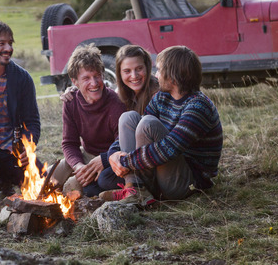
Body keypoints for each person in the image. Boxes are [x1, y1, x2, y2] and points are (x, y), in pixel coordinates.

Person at [105, 45, 223, 204]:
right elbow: (135, 131)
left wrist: (124, 162)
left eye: (159, 70)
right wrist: (114, 153)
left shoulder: (198, 106)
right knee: (129, 118)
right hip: (163, 172)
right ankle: (135, 189)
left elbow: (168, 149)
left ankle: (138, 189)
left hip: (187, 182)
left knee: (148, 124)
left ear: (173, 76)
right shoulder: (162, 97)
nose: (155, 75)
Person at [0, 21, 41, 198]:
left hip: (10, 150)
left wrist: (29, 146)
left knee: (43, 182)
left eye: (10, 43)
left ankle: (5, 180)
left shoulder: (22, 78)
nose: (8, 48)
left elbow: (32, 121)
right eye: (1, 43)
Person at [51, 44, 127, 197]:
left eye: (97, 76)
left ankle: (94, 188)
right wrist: (79, 166)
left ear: (103, 76)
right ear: (75, 82)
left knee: (86, 186)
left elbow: (122, 143)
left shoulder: (115, 102)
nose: (94, 83)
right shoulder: (71, 102)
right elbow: (69, 143)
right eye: (86, 78)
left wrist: (102, 163)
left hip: (110, 158)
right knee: (49, 177)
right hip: (86, 156)